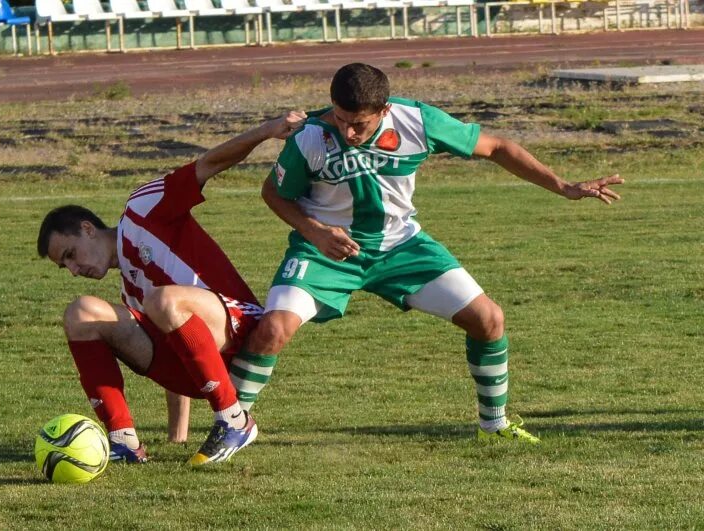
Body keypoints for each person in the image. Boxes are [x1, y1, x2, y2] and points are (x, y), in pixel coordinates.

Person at [228, 63, 624, 443]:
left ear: (384, 110)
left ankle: (494, 425)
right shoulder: (309, 135)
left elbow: (498, 147)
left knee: (488, 319)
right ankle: (231, 425)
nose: (348, 131)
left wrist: (564, 186)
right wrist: (315, 232)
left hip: (401, 247)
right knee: (274, 329)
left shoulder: (416, 120)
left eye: (359, 123)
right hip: (325, 251)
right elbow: (273, 193)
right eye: (341, 117)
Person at [37, 111, 307, 465]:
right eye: (65, 266)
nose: (73, 269)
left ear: (88, 228)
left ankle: (235, 421)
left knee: (161, 300)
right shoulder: (130, 289)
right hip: (196, 365)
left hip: (238, 327)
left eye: (70, 255)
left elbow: (209, 164)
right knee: (82, 312)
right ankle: (124, 443)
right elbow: (178, 342)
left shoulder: (143, 209)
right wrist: (178, 435)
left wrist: (268, 131)